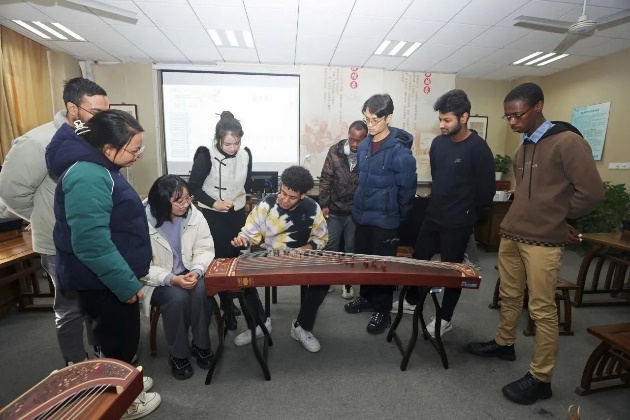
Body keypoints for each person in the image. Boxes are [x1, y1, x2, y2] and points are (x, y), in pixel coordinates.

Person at [467, 82, 605, 405]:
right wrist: (554, 213)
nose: (512, 122)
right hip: (512, 233)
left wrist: (560, 217)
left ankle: (542, 378)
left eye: (518, 115)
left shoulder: (568, 142)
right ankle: (504, 344)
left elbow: (592, 193)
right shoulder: (524, 147)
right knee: (510, 295)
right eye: (508, 117)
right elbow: (531, 193)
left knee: (541, 309)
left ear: (539, 106)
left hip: (543, 242)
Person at [46, 110, 161, 418]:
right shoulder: (88, 175)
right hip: (104, 280)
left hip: (108, 277)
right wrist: (125, 283)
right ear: (109, 148)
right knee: (118, 342)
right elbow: (91, 242)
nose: (138, 154)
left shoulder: (100, 168)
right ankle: (124, 401)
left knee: (115, 338)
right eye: (134, 149)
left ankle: (124, 382)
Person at [0, 77, 107, 365]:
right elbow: (11, 194)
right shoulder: (37, 142)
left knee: (96, 302)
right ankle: (76, 366)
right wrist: (43, 218)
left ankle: (101, 357)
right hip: (59, 244)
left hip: (93, 240)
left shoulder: (92, 137)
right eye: (96, 112)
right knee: (71, 309)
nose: (102, 119)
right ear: (73, 108)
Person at [405, 89, 495, 338]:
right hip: (433, 216)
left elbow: (485, 192)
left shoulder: (479, 149)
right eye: (440, 120)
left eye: (447, 120)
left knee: (452, 271)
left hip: (458, 222)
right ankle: (412, 300)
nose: (442, 125)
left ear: (464, 117)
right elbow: (438, 177)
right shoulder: (438, 143)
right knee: (419, 259)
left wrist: (467, 215)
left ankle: (445, 318)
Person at [230, 166, 328, 352]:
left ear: (302, 196)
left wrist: (304, 249)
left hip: (300, 257)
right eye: (283, 193)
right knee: (241, 278)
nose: (285, 199)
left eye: (292, 197)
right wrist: (243, 240)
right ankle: (259, 324)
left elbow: (321, 239)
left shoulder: (312, 208)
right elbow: (249, 234)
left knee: (323, 280)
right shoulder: (266, 205)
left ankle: (301, 326)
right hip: (270, 256)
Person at [343, 93, 417, 334]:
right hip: (362, 216)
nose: (370, 125)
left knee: (383, 267)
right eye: (367, 119)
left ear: (388, 118)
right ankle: (366, 298)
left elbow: (407, 190)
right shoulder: (364, 145)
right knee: (365, 262)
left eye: (375, 120)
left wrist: (397, 216)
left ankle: (383, 310)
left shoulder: (400, 151)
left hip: (385, 220)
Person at [140, 175, 215, 380]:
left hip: (189, 270)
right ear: (162, 201)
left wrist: (197, 270)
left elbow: (205, 248)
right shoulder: (141, 220)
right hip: (157, 279)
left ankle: (201, 345)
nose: (185, 205)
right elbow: (140, 265)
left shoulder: (194, 215)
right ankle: (178, 355)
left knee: (202, 290)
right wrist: (171, 279)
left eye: (187, 198)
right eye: (178, 201)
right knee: (177, 298)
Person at [189, 111, 251, 331]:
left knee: (235, 258)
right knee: (220, 260)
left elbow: (246, 183)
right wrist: (215, 203)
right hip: (214, 215)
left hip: (237, 213)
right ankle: (226, 305)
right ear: (218, 139)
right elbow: (193, 187)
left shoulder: (246, 154)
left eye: (236, 143)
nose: (233, 148)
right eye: (227, 144)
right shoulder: (205, 155)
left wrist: (242, 203)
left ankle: (230, 300)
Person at [318, 120, 368, 300]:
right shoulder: (335, 151)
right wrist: (324, 204)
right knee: (330, 246)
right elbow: (325, 179)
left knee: (350, 248)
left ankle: (347, 282)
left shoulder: (368, 154)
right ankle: (329, 279)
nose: (355, 144)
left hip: (355, 212)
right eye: (352, 139)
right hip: (334, 210)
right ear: (348, 135)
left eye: (360, 141)